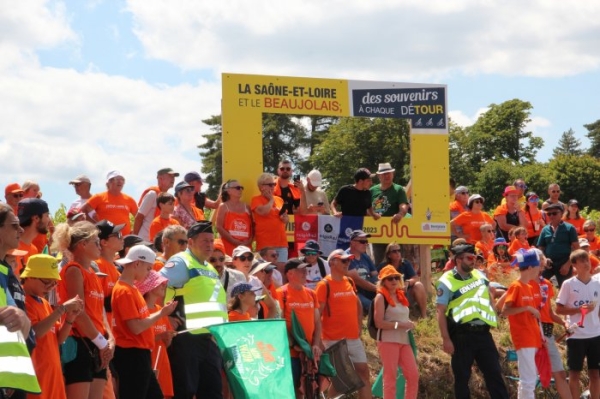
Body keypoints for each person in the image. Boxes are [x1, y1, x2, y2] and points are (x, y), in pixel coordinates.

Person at [159, 221, 227, 399]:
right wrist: (164, 318)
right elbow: (156, 287)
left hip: (209, 339)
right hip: (186, 338)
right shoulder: (181, 261)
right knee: (185, 392)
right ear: (190, 242)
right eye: (205, 240)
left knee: (213, 392)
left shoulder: (209, 267)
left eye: (212, 241)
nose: (209, 245)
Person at [436, 244, 508, 399]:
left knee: (494, 374)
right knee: (462, 378)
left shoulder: (480, 275)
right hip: (461, 335)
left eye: (475, 258)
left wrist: (494, 313)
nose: (473, 261)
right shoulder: (446, 280)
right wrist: (446, 339)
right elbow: (440, 311)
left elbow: (489, 294)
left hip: (483, 334)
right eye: (470, 258)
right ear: (458, 260)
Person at [53, 221, 114, 399]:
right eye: (96, 242)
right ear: (83, 244)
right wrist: (103, 343)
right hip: (81, 343)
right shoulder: (73, 270)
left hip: (97, 343)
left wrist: (110, 340)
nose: (99, 246)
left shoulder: (93, 274)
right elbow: (79, 313)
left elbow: (99, 313)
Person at [111, 245, 177, 399]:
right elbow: (135, 327)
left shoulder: (131, 289)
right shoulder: (124, 290)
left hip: (139, 354)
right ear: (137, 264)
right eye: (148, 268)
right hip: (131, 355)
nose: (149, 273)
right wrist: (161, 313)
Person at [21, 254, 83, 399]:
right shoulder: (23, 302)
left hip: (53, 377)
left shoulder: (45, 303)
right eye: (47, 282)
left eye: (54, 283)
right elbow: (34, 333)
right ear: (30, 276)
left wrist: (69, 318)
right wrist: (62, 310)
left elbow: (58, 339)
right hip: (36, 377)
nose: (50, 287)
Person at [316, 249, 372, 399]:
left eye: (349, 261)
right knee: (341, 379)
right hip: (333, 340)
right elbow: (317, 314)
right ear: (332, 262)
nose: (348, 263)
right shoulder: (324, 285)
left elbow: (358, 304)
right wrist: (319, 341)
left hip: (353, 337)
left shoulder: (349, 281)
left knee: (363, 372)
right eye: (344, 260)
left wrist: (359, 324)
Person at [1, 202, 37, 397]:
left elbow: (23, 323)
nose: (21, 229)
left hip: (10, 374)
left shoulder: (5, 272)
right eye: (14, 225)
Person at [556, 249, 600, 399]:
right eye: (581, 261)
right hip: (576, 336)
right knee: (574, 374)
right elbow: (558, 309)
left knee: (595, 374)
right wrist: (578, 309)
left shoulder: (597, 283)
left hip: (596, 334)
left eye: (586, 260)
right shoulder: (568, 284)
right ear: (574, 265)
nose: (586, 263)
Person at [528, 249, 572, 399]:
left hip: (547, 333)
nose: (541, 262)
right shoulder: (524, 284)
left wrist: (564, 323)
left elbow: (550, 313)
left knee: (559, 372)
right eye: (537, 259)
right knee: (530, 376)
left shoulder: (546, 284)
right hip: (531, 333)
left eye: (542, 259)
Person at [276, 259, 322, 396]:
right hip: (289, 354)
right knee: (291, 390)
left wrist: (316, 344)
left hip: (308, 354)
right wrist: (294, 346)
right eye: (300, 270)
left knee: (305, 390)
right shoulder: (281, 293)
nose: (305, 272)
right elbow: (279, 324)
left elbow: (318, 322)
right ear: (290, 274)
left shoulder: (311, 293)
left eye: (305, 270)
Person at [501, 249, 542, 399]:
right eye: (538, 266)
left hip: (532, 337)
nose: (540, 270)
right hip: (524, 337)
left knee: (529, 379)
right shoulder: (516, 286)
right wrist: (526, 308)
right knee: (529, 379)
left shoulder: (529, 287)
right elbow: (505, 310)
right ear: (530, 267)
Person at [373, 265, 418, 399]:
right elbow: (378, 323)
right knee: (390, 377)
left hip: (404, 340)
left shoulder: (401, 296)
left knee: (413, 375)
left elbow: (400, 316)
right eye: (389, 278)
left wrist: (408, 323)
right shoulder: (380, 298)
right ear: (383, 282)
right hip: (388, 341)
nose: (394, 280)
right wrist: (400, 325)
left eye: (396, 277)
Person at [135, 270, 177, 399]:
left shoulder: (161, 310)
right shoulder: (140, 311)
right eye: (160, 283)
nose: (164, 285)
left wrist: (168, 337)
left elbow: (167, 344)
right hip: (147, 361)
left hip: (162, 362)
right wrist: (160, 337)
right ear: (150, 287)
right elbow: (137, 338)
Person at [251, 173, 288, 277]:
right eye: (270, 184)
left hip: (281, 243)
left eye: (274, 184)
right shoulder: (256, 199)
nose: (273, 187)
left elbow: (285, 218)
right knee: (266, 274)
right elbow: (263, 212)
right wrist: (271, 199)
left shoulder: (279, 200)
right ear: (261, 186)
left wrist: (285, 218)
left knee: (281, 275)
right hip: (266, 244)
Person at [370, 163, 409, 264]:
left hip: (394, 231)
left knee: (397, 261)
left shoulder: (398, 189)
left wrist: (400, 214)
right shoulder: (372, 191)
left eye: (389, 173)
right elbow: (366, 208)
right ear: (379, 176)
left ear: (393, 174)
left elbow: (404, 205)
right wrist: (372, 215)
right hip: (378, 232)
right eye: (383, 174)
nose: (387, 176)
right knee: (379, 262)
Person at [80, 171, 138, 235]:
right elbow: (81, 211)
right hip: (105, 238)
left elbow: (139, 217)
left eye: (122, 179)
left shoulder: (129, 199)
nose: (120, 181)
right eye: (116, 179)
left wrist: (135, 231)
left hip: (125, 239)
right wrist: (94, 224)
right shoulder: (99, 197)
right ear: (108, 182)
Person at [378, 243, 427, 318]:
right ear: (389, 255)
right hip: (390, 297)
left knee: (418, 285)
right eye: (394, 251)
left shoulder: (405, 263)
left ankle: (424, 315)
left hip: (405, 294)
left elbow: (416, 278)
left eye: (399, 250)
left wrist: (408, 282)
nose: (398, 253)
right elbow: (378, 283)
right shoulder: (383, 266)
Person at [537, 203, 579, 287]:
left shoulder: (569, 228)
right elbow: (540, 247)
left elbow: (576, 248)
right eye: (549, 214)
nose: (551, 216)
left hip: (564, 262)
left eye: (554, 213)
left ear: (562, 213)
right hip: (548, 263)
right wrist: (544, 259)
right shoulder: (545, 229)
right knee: (539, 284)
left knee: (565, 288)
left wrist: (568, 265)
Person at [134, 167, 179, 241]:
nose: (173, 179)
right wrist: (134, 239)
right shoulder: (152, 194)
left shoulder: (168, 198)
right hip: (146, 240)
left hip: (160, 241)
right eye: (170, 176)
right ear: (160, 179)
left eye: (174, 177)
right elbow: (139, 217)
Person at [94, 220, 125, 324]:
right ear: (104, 242)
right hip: (100, 328)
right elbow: (96, 302)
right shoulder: (97, 266)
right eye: (117, 235)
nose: (122, 237)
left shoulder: (115, 268)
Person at [215, 179, 253, 256]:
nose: (240, 190)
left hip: (246, 248)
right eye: (237, 188)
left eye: (241, 188)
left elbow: (252, 227)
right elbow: (219, 227)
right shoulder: (223, 206)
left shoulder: (247, 207)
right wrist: (234, 241)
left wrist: (249, 241)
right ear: (229, 191)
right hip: (228, 247)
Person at [346, 230, 378, 315]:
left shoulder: (365, 256)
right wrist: (379, 289)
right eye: (362, 241)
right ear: (352, 242)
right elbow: (357, 280)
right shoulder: (346, 257)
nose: (365, 244)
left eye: (366, 242)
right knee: (373, 306)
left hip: (367, 288)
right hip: (354, 291)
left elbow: (375, 274)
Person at [16, 198, 50, 269]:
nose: (49, 220)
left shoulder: (34, 249)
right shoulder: (12, 249)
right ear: (36, 218)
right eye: (47, 215)